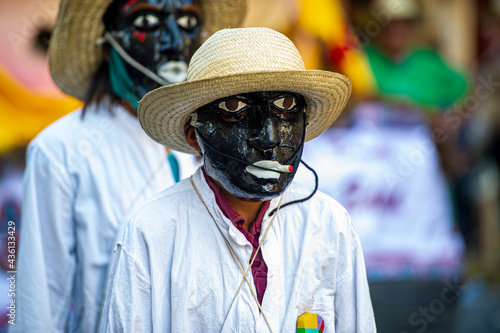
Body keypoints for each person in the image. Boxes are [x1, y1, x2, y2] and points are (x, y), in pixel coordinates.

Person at [100, 27, 375, 332]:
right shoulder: (152, 231)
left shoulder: (328, 224)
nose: (268, 139)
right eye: (234, 111)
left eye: (285, 109)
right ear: (195, 136)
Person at [13, 0, 246, 332]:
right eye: (148, 20)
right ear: (107, 43)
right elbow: (40, 306)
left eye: (187, 22)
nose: (174, 41)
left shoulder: (210, 142)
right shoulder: (61, 152)